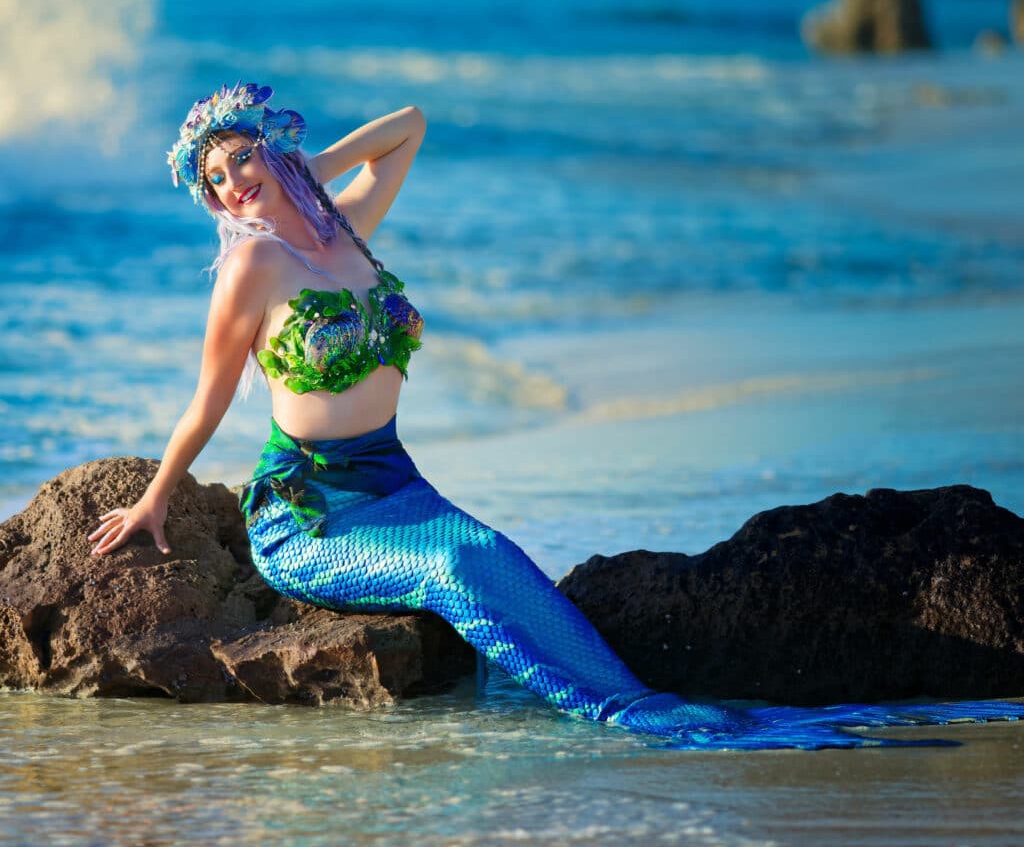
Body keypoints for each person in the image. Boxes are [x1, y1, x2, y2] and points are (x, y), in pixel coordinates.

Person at [87, 82, 1024, 750]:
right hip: (309, 513)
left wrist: (303, 179)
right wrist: (158, 499)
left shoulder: (343, 230)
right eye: (214, 180)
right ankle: (628, 719)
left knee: (497, 555)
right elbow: (206, 401)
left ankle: (635, 697)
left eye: (242, 158)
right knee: (460, 567)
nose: (230, 185)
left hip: (395, 478)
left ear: (272, 146)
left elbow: (408, 126)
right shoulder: (252, 269)